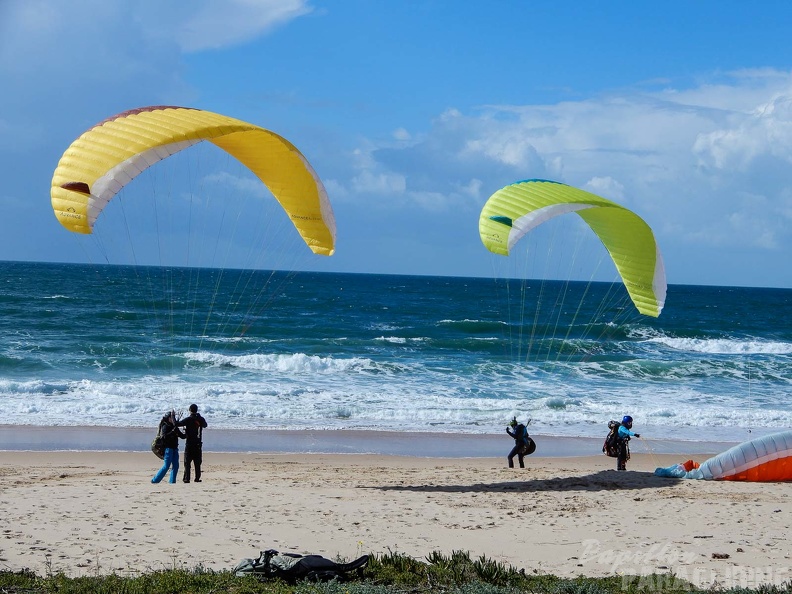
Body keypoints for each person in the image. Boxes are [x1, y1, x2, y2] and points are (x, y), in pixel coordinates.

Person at [151, 410, 185, 484]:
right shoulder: (165, 426)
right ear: (168, 418)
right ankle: (155, 480)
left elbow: (182, 436)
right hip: (168, 449)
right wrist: (173, 432)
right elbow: (164, 437)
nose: (173, 419)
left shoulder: (174, 426)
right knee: (166, 466)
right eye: (172, 417)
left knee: (176, 466)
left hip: (175, 448)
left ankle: (172, 482)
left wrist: (187, 432)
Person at [177, 403, 207, 483]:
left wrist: (174, 418)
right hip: (198, 444)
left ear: (190, 410)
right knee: (197, 463)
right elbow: (205, 425)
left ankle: (187, 478)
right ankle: (197, 478)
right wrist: (199, 417)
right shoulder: (200, 419)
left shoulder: (188, 419)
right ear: (197, 410)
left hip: (189, 444)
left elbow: (178, 424)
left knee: (187, 463)